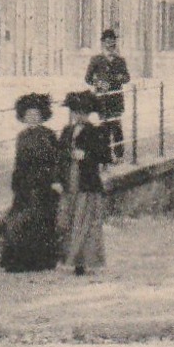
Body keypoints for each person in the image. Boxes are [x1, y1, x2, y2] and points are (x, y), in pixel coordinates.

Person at [0, 92, 62, 273]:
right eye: (28, 116)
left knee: (42, 220)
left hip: (44, 181)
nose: (32, 119)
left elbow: (56, 160)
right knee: (20, 220)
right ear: (23, 117)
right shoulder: (22, 137)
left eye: (36, 115)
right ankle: (20, 261)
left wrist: (55, 180)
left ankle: (41, 261)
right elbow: (19, 162)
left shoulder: (49, 135)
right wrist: (16, 182)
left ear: (42, 116)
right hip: (25, 183)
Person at [58, 90, 111, 275]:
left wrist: (87, 155)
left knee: (85, 221)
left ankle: (85, 261)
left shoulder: (96, 132)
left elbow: (105, 156)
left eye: (82, 112)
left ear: (88, 113)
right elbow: (59, 153)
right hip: (70, 179)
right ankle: (71, 259)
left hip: (86, 181)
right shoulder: (67, 131)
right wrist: (68, 156)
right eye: (75, 111)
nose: (78, 115)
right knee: (70, 219)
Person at [85, 30, 131, 161]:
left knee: (116, 127)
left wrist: (121, 77)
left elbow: (127, 78)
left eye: (112, 41)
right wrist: (98, 83)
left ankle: (119, 155)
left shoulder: (120, 60)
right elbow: (87, 78)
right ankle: (106, 156)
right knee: (104, 128)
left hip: (116, 99)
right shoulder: (96, 60)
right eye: (107, 41)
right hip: (102, 99)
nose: (110, 43)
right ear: (103, 43)